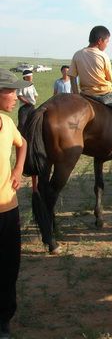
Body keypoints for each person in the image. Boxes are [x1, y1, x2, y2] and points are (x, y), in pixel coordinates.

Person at [68, 25, 112, 164]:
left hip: (85, 95)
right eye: (107, 42)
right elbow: (109, 78)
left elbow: (72, 77)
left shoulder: (77, 54)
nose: (107, 45)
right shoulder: (102, 56)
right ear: (100, 40)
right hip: (105, 95)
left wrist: (76, 95)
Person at [0, 69, 29, 339]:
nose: (16, 97)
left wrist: (18, 170)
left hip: (9, 209)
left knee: (10, 266)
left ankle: (3, 320)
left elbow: (23, 144)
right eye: (10, 91)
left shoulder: (7, 124)